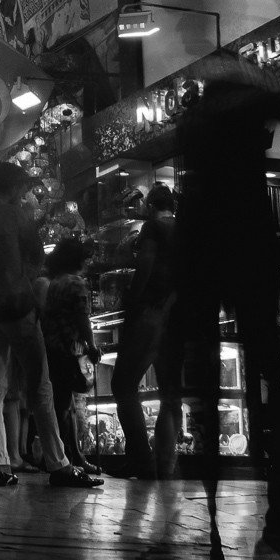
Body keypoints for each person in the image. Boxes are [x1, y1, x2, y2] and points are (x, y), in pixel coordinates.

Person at [172, 76, 280, 560]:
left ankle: (212, 519)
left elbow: (191, 192)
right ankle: (279, 505)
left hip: (206, 250)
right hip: (251, 244)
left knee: (205, 383)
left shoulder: (196, 124)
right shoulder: (252, 111)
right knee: (268, 373)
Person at [0, 161, 102, 489]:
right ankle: (59, 464)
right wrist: (26, 286)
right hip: (19, 309)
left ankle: (1, 464)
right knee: (41, 387)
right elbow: (36, 260)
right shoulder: (18, 217)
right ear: (15, 188)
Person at [111, 183, 178, 479]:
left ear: (150, 206)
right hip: (176, 317)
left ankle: (142, 459)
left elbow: (147, 265)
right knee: (169, 393)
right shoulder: (184, 231)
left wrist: (133, 301)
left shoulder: (153, 228)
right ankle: (165, 464)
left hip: (151, 311)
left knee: (123, 385)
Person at [39, 238, 101, 474]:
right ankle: (64, 459)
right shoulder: (75, 283)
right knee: (65, 406)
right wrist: (92, 346)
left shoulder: (55, 283)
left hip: (52, 347)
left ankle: (71, 455)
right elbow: (82, 319)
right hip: (67, 350)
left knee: (63, 404)